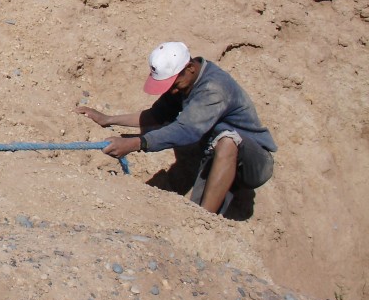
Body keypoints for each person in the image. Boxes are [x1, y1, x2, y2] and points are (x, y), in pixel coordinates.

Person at [76, 41, 276, 214]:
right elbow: (157, 116)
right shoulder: (185, 82)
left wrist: (135, 143)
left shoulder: (214, 89)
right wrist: (108, 119)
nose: (171, 90)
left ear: (189, 68)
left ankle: (206, 223)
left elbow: (185, 130)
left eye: (173, 84)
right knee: (192, 210)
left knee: (228, 140)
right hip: (215, 156)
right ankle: (202, 217)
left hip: (253, 164)